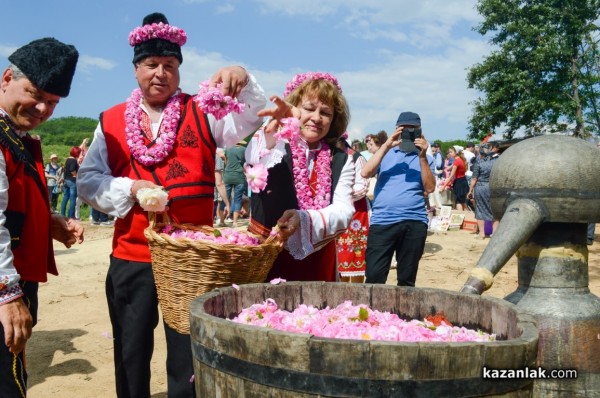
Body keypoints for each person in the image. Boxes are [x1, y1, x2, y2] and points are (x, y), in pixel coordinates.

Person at [76, 12, 266, 398]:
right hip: (132, 254)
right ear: (135, 70)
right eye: (151, 65)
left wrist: (240, 74)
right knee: (130, 350)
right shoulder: (109, 120)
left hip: (191, 260)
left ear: (179, 69)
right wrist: (131, 188)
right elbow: (88, 181)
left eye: (170, 65)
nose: (160, 73)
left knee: (188, 352)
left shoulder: (205, 111)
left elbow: (252, 116)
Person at [0, 37, 84, 396]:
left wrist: (49, 219)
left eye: (51, 102)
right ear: (6, 78)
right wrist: (7, 294)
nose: (40, 108)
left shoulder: (16, 136)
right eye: (33, 93)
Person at [245, 71, 355, 282]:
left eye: (326, 113)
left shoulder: (341, 159)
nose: (316, 118)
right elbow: (253, 159)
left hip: (319, 262)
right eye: (309, 108)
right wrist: (277, 129)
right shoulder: (275, 142)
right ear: (294, 108)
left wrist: (304, 219)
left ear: (334, 120)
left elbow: (344, 211)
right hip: (267, 259)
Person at [363, 111, 435, 286]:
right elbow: (365, 172)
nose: (408, 133)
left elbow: (430, 187)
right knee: (374, 276)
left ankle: (402, 314)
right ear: (397, 129)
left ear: (420, 131)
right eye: (404, 129)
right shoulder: (385, 152)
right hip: (383, 221)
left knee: (406, 279)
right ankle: (374, 313)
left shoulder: (425, 157)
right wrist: (387, 144)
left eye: (413, 129)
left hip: (414, 221)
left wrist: (422, 156)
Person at [335, 135, 369, 283]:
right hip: (335, 210)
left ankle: (356, 292)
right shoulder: (330, 156)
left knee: (356, 253)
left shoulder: (356, 158)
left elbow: (362, 187)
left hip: (356, 212)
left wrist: (340, 193)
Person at [467, 143, 500, 239]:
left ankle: (482, 234)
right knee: (494, 210)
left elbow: (474, 179)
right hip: (493, 187)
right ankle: (494, 234)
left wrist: (470, 190)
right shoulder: (496, 162)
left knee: (480, 209)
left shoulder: (479, 163)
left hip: (481, 187)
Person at [222, 141, 247, 227]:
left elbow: (223, 158)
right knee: (237, 199)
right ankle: (235, 222)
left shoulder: (228, 149)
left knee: (225, 198)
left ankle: (222, 220)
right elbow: (245, 163)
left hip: (228, 176)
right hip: (239, 177)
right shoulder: (244, 150)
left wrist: (227, 163)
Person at [439, 146, 469, 210]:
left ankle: (460, 217)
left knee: (459, 202)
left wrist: (443, 186)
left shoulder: (457, 161)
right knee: (462, 201)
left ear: (456, 152)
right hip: (463, 181)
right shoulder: (460, 160)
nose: (450, 153)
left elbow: (451, 176)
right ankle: (466, 215)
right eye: (449, 152)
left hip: (459, 183)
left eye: (451, 152)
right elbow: (449, 168)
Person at [60, 146, 81, 218]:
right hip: (72, 181)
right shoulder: (74, 161)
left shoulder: (67, 159)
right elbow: (72, 169)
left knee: (65, 197)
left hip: (66, 180)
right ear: (77, 153)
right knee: (73, 199)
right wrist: (76, 175)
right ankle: (71, 216)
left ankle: (62, 215)